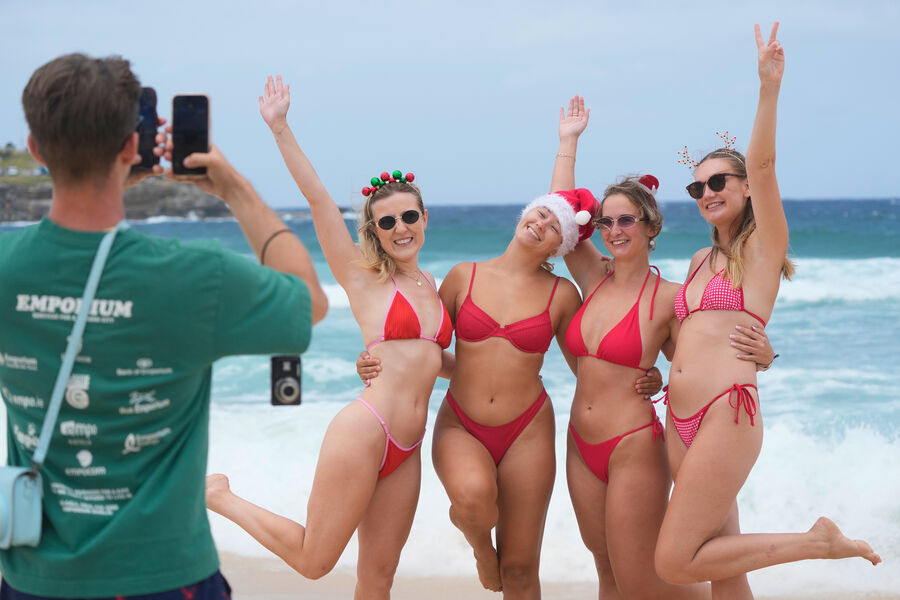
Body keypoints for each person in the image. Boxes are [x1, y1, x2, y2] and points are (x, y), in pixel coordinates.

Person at [0, 54, 327, 599]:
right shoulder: (196, 276)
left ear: (35, 148)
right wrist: (235, 190)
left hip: (35, 580)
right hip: (166, 576)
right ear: (132, 146)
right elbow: (307, 301)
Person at [652, 23, 881, 594]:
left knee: (675, 562)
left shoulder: (762, 247)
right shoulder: (701, 259)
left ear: (745, 187)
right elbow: (691, 340)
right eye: (697, 188)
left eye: (719, 181)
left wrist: (768, 88)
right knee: (722, 567)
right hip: (679, 417)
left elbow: (764, 166)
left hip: (726, 413)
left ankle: (816, 542)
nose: (707, 192)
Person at [204, 75, 452, 599]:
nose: (401, 228)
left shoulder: (434, 286)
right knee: (314, 562)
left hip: (409, 443)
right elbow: (317, 198)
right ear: (375, 231)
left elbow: (437, 360)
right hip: (366, 429)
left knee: (378, 578)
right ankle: (221, 496)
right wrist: (280, 127)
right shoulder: (364, 279)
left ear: (424, 218)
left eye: (409, 216)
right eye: (387, 222)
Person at [357, 191, 665, 598]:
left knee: (520, 570)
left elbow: (589, 367)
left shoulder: (562, 294)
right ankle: (481, 549)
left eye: (554, 226)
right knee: (472, 499)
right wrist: (375, 358)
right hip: (462, 424)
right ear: (524, 214)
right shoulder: (463, 276)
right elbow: (423, 346)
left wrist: (647, 375)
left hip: (528, 430)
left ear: (560, 246)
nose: (541, 224)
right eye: (540, 213)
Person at [551, 96, 776, 599]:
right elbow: (561, 219)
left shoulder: (671, 297)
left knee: (644, 579)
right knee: (607, 571)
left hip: (636, 441)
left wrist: (765, 353)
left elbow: (702, 347)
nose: (613, 231)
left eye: (626, 220)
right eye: (606, 222)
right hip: (580, 440)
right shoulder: (594, 276)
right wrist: (568, 143)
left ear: (651, 226)